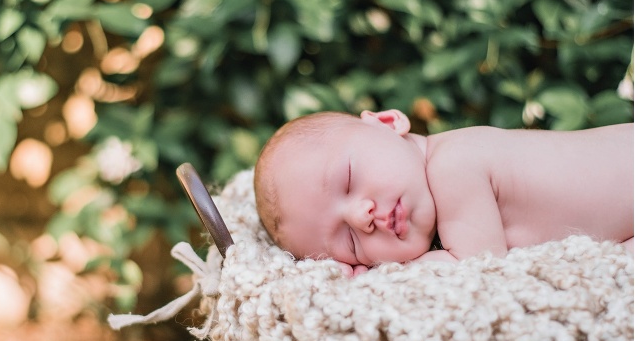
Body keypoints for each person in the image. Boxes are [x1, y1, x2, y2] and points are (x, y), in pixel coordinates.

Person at [253, 109, 634, 275]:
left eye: (349, 180)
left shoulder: (454, 166)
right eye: (351, 244)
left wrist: (366, 280)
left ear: (388, 123)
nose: (361, 217)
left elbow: (478, 270)